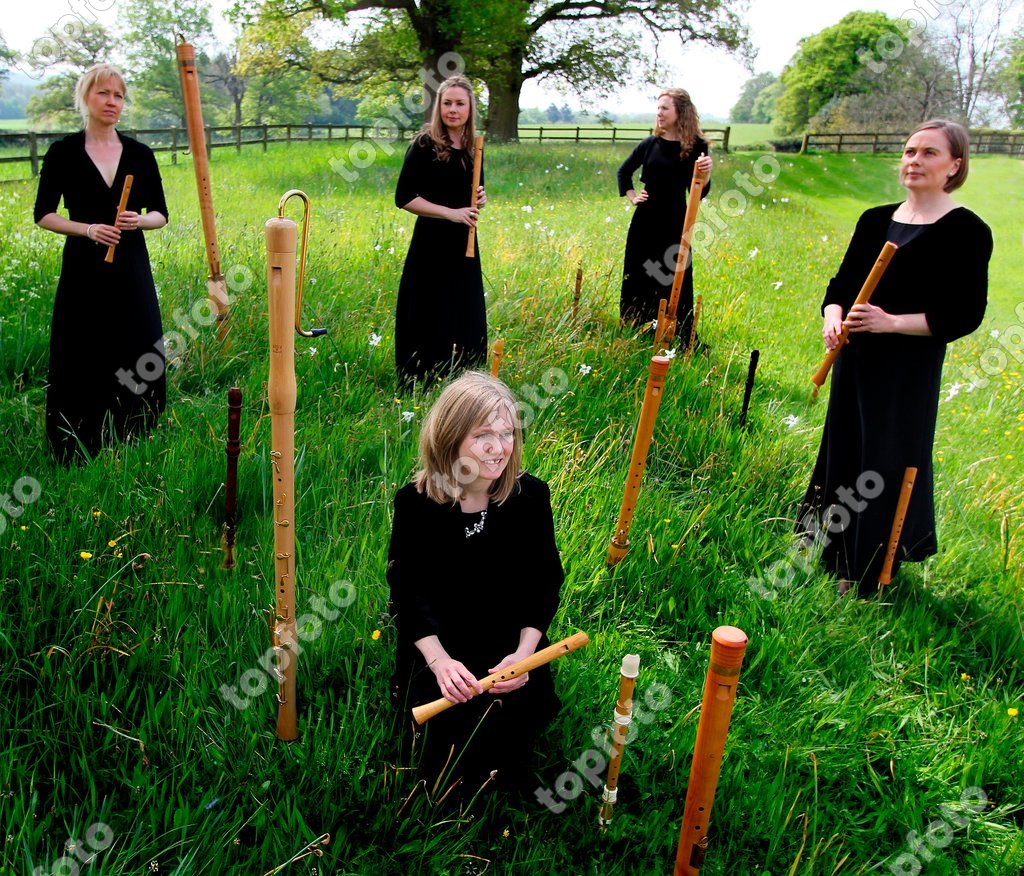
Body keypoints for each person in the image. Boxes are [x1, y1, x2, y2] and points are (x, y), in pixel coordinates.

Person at [797, 119, 992, 597]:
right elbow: (840, 286)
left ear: (955, 166)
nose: (914, 161)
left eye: (929, 153)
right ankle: (831, 551)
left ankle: (867, 572)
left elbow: (963, 315)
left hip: (907, 370)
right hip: (855, 359)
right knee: (844, 448)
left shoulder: (967, 231)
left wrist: (891, 322)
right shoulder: (874, 218)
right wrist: (832, 317)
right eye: (909, 151)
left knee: (885, 459)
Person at [387, 372, 563, 799]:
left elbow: (544, 583)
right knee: (443, 765)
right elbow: (407, 594)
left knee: (507, 760)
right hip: (441, 648)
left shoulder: (531, 498)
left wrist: (524, 656)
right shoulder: (416, 506)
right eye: (483, 434)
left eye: (507, 433)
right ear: (450, 439)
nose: (499, 447)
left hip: (509, 646)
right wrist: (440, 663)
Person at [34, 63, 168, 464]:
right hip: (83, 266)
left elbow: (161, 213)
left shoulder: (141, 155)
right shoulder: (62, 153)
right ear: (85, 98)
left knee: (137, 340)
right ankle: (79, 438)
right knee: (82, 346)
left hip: (131, 265)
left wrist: (139, 220)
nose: (112, 102)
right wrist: (89, 229)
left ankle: (136, 429)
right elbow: (44, 215)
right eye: (103, 93)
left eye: (119, 96)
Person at [394, 76, 487, 386]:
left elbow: (472, 194)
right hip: (430, 245)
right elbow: (404, 197)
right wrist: (451, 213)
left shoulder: (475, 148)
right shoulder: (424, 144)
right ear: (439, 107)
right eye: (447, 103)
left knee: (462, 309)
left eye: (460, 103)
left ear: (470, 108)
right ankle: (422, 377)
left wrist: (479, 200)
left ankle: (461, 379)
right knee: (428, 310)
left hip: (464, 243)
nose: (453, 109)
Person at [617, 88, 713, 340]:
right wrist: (632, 196)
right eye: (658, 108)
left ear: (680, 112)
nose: (658, 113)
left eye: (664, 108)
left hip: (676, 221)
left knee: (673, 273)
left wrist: (707, 173)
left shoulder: (696, 147)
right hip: (645, 221)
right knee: (639, 274)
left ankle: (674, 332)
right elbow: (623, 172)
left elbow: (700, 192)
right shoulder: (649, 144)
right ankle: (637, 328)